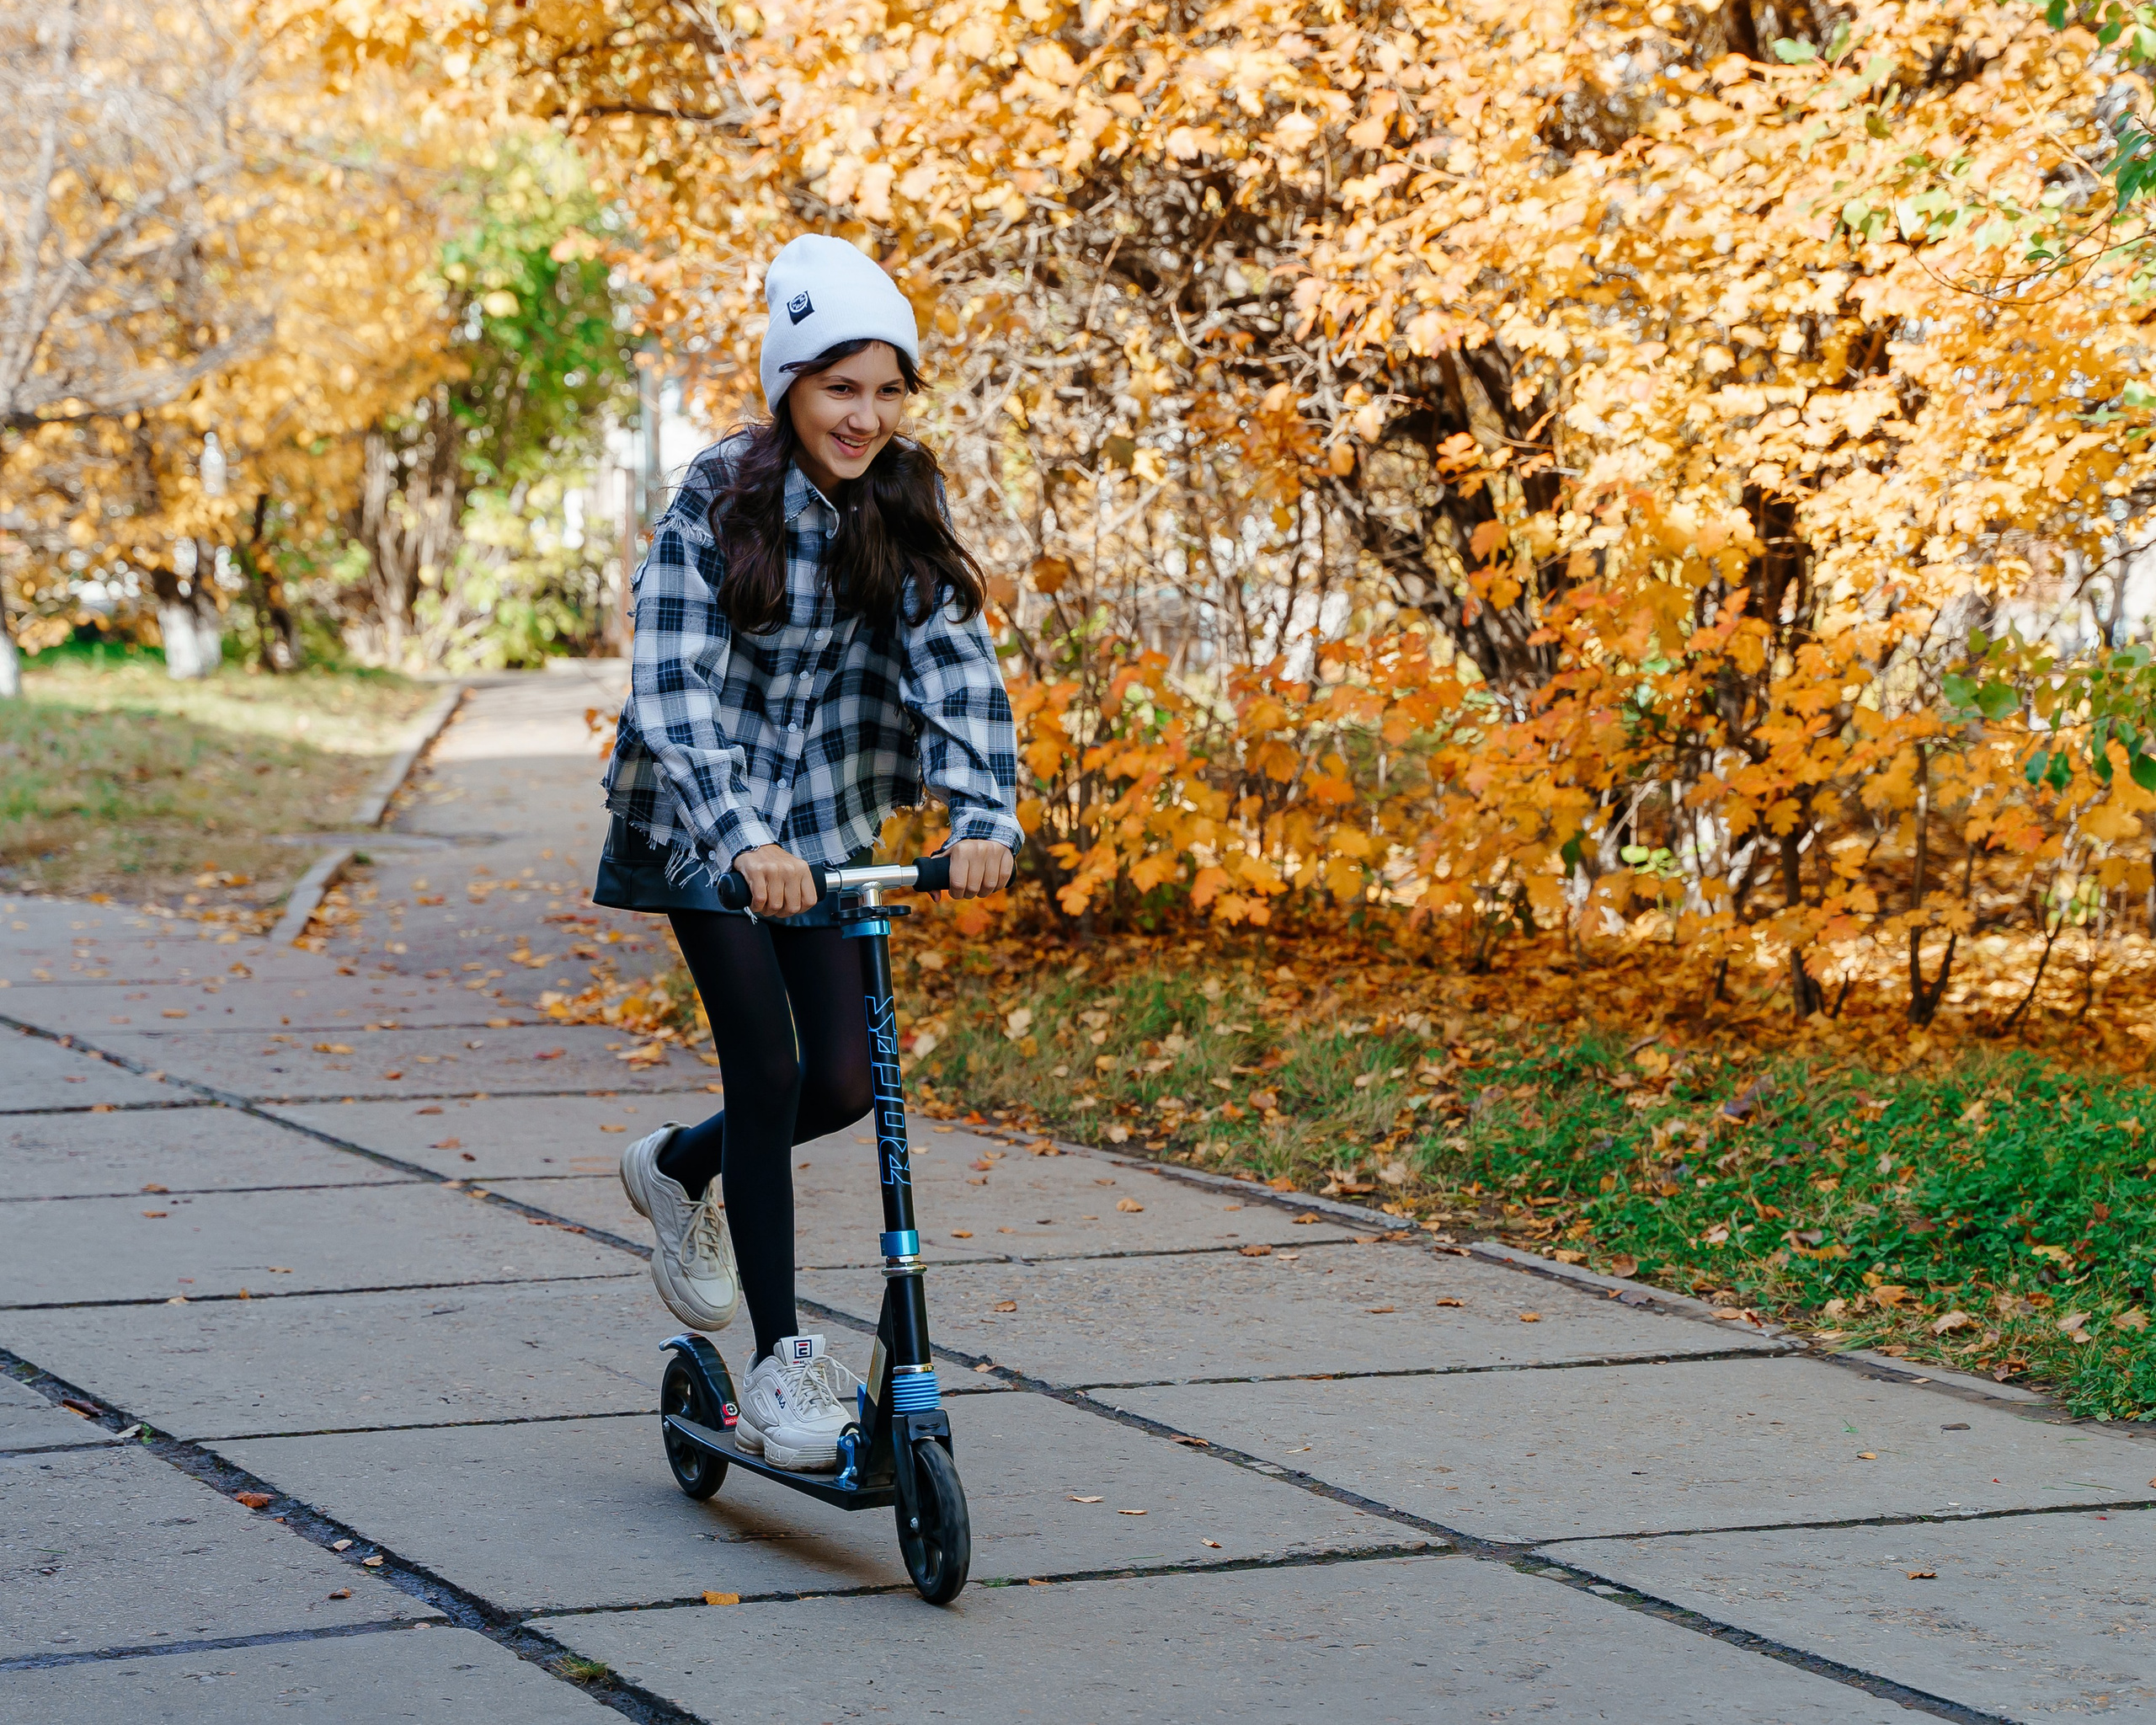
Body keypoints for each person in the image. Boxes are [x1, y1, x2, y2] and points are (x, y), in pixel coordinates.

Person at [594, 234, 1020, 1472]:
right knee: (770, 1073)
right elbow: (671, 690)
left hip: (824, 824)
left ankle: (678, 1168)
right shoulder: (717, 498)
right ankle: (784, 1367)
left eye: (889, 391)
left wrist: (982, 815)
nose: (866, 416)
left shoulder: (897, 495)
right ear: (789, 384)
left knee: (842, 1082)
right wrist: (743, 838)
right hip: (699, 817)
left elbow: (955, 663)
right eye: (842, 388)